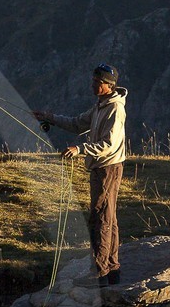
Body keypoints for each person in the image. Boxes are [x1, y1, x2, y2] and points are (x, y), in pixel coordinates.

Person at [33, 65, 129, 285]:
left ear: (109, 85)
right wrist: (50, 117)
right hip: (101, 167)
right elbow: (78, 124)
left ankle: (100, 273)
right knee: (108, 218)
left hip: (107, 168)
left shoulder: (114, 109)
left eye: (97, 82)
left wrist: (80, 149)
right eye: (93, 81)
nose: (93, 85)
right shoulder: (100, 106)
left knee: (100, 218)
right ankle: (112, 270)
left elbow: (108, 144)